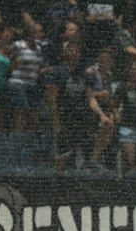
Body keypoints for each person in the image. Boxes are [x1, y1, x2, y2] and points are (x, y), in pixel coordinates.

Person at [46, 40, 114, 170]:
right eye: (71, 50)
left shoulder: (83, 74)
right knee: (60, 158)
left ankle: (88, 165)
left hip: (79, 120)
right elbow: (51, 100)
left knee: (105, 127)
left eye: (77, 50)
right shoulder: (57, 72)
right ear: (64, 52)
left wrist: (101, 116)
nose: (75, 53)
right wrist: (56, 122)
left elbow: (89, 97)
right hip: (63, 120)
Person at [7, 22, 44, 133]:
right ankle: (17, 136)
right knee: (22, 109)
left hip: (31, 84)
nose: (41, 34)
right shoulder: (19, 45)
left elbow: (38, 68)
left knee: (34, 112)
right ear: (32, 33)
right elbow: (6, 55)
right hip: (17, 83)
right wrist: (14, 62)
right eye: (39, 32)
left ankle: (28, 139)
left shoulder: (38, 48)